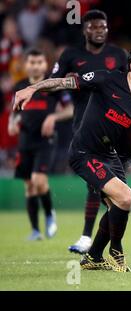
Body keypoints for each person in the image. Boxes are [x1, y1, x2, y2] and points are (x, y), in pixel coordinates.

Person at [13, 43, 131, 272]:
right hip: (83, 152)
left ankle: (93, 257)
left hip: (109, 155)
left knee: (119, 205)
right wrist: (33, 89)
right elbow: (62, 82)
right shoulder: (106, 79)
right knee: (125, 197)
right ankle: (116, 251)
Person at [51, 9, 128, 254]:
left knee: (111, 189)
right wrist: (68, 84)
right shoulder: (71, 55)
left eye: (103, 27)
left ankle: (99, 241)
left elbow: (130, 87)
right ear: (85, 29)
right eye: (94, 27)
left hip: (112, 128)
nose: (99, 31)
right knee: (98, 185)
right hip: (82, 127)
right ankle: (92, 239)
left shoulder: (118, 55)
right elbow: (53, 83)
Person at [8, 48, 73, 240]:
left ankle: (50, 214)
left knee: (39, 180)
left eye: (39, 62)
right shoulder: (19, 86)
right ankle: (36, 230)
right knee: (29, 186)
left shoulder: (51, 86)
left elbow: (71, 109)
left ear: (45, 65)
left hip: (45, 141)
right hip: (25, 141)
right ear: (25, 65)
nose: (35, 66)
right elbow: (15, 110)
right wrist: (12, 122)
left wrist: (53, 116)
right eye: (32, 62)